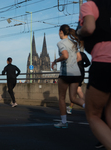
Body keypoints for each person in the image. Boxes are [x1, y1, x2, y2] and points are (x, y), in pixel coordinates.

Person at [76, 0, 111, 149]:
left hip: (105, 62)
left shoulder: (90, 4)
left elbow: (89, 28)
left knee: (93, 115)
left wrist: (78, 32)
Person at [51, 24, 85, 128]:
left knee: (61, 98)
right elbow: (79, 58)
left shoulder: (61, 43)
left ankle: (64, 122)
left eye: (59, 32)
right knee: (73, 98)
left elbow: (65, 55)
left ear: (61, 31)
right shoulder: (73, 43)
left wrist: (55, 61)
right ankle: (91, 107)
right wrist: (72, 63)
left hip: (66, 74)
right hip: (76, 73)